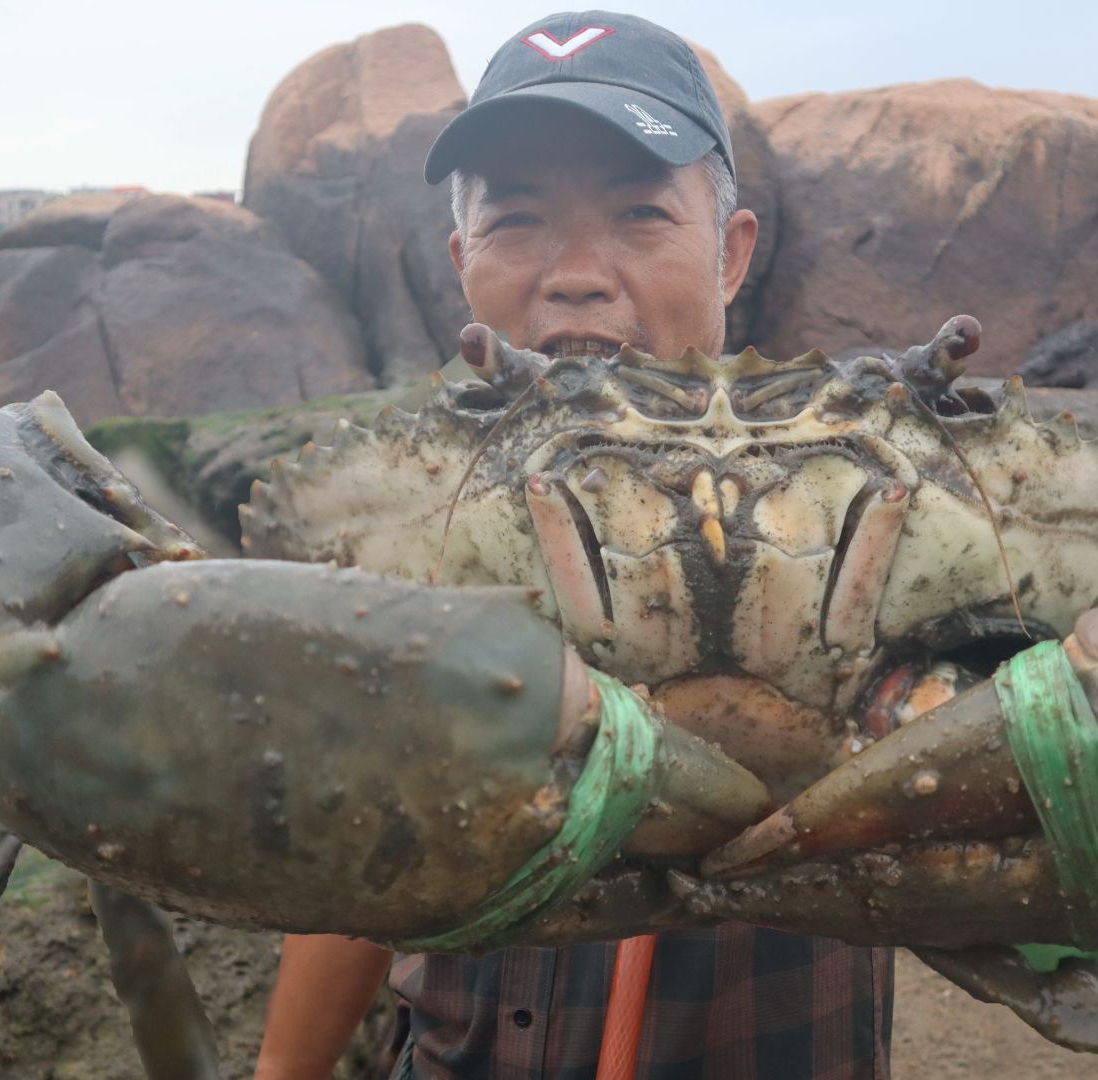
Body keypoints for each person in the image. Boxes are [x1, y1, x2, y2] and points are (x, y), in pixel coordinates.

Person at [254, 12, 894, 1079]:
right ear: (463, 262)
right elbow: (358, 823)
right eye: (518, 223)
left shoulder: (854, 509)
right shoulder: (416, 521)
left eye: (641, 213)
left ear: (732, 253)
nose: (577, 274)